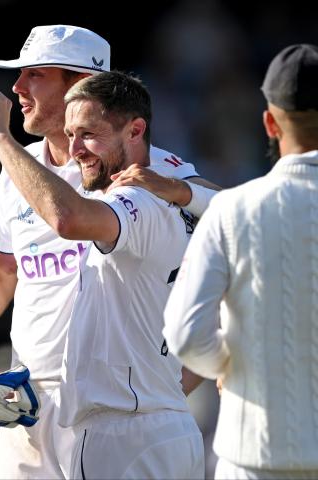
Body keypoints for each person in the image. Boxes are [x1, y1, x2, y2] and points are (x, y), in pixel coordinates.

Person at [0, 24, 213, 478]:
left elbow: (227, 232)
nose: (17, 88)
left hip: (117, 405)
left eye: (35, 74)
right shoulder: (15, 171)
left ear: (79, 84)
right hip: (28, 404)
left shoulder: (149, 170)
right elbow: (3, 269)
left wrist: (177, 381)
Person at [163, 43, 318, 480]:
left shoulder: (232, 208)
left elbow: (186, 336)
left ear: (270, 122)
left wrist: (233, 366)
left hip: (253, 455)